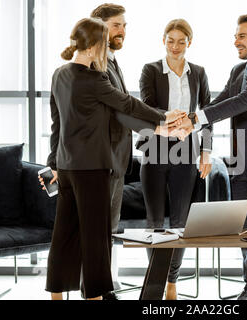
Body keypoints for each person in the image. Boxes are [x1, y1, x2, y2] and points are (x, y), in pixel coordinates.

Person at [41, 17, 185, 300]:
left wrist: (54, 163)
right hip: (92, 168)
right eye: (104, 44)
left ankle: (56, 295)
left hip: (67, 167)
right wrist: (163, 115)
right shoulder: (95, 78)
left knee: (64, 234)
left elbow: (56, 124)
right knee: (96, 237)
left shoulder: (59, 74)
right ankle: (95, 296)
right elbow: (126, 103)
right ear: (95, 45)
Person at [176, 14, 247, 300]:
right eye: (236, 36)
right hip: (241, 165)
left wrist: (196, 118)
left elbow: (242, 102)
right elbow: (221, 104)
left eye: (242, 36)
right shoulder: (238, 71)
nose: (236, 41)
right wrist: (193, 122)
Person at [137, 19, 213, 300]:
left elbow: (207, 114)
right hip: (155, 148)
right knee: (155, 221)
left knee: (180, 221)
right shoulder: (151, 70)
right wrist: (173, 120)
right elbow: (146, 107)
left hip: (186, 151)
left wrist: (205, 151)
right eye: (171, 40)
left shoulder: (199, 73)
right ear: (163, 41)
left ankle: (172, 282)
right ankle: (155, 281)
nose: (176, 46)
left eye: (182, 41)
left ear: (189, 43)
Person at [89, 3, 154, 300]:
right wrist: (163, 121)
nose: (123, 31)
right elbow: (123, 106)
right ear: (99, 26)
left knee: (108, 228)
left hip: (115, 159)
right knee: (97, 231)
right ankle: (96, 291)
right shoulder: (93, 65)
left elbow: (122, 112)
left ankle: (104, 288)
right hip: (99, 159)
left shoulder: (111, 61)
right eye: (117, 25)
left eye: (125, 26)